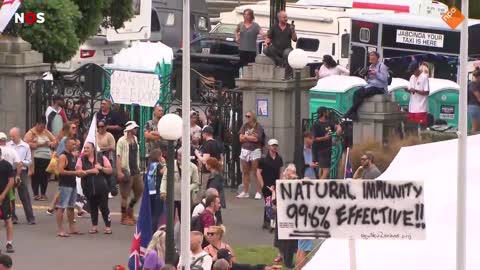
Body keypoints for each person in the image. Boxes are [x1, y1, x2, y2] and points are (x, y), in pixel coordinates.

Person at [76, 142, 113, 235]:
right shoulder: (81, 159)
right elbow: (78, 172)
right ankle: (94, 226)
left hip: (102, 188)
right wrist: (90, 171)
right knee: (92, 208)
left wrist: (101, 168)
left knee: (104, 207)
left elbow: (110, 170)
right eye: (84, 148)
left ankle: (108, 226)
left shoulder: (101, 157)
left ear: (93, 149)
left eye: (87, 148)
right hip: (88, 188)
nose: (85, 150)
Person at [344, 51, 389, 121]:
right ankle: (354, 113)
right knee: (356, 93)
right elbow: (369, 80)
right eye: (370, 58)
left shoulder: (382, 66)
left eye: (373, 58)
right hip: (370, 85)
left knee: (363, 93)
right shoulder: (370, 67)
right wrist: (367, 75)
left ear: (377, 58)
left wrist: (376, 74)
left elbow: (385, 79)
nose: (371, 59)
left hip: (379, 87)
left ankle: (350, 112)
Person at [160, 149, 199, 223]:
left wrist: (188, 188)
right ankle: (170, 234)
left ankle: (184, 234)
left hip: (185, 198)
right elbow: (165, 178)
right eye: (178, 155)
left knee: (184, 221)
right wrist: (163, 190)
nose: (180, 157)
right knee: (170, 220)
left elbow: (196, 183)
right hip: (172, 196)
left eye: (182, 155)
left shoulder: (193, 167)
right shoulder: (171, 165)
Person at [116, 121, 143, 226]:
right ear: (130, 129)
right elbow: (118, 156)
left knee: (140, 190)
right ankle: (123, 217)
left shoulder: (135, 139)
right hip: (126, 170)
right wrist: (119, 171)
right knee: (125, 195)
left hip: (135, 170)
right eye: (134, 128)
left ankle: (130, 209)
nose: (136, 129)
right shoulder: (121, 141)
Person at [24, 117, 57, 201]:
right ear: (37, 124)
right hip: (36, 157)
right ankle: (35, 194)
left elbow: (55, 140)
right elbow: (25, 144)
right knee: (36, 176)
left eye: (43, 127)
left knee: (45, 176)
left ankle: (43, 193)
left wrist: (50, 143)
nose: (42, 128)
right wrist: (40, 144)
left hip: (47, 157)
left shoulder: (46, 132)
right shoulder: (31, 133)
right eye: (41, 126)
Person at [7, 128, 35, 225]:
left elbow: (29, 161)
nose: (12, 138)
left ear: (18, 135)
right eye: (10, 136)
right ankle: (13, 217)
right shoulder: (8, 145)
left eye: (13, 136)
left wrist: (22, 162)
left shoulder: (25, 146)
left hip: (22, 171)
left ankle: (30, 217)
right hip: (10, 170)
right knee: (11, 195)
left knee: (24, 195)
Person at [56, 137, 83, 237]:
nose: (74, 146)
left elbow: (73, 169)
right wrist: (75, 172)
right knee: (61, 207)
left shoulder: (72, 155)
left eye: (75, 144)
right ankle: (60, 229)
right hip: (64, 185)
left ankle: (72, 228)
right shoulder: (63, 156)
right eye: (72, 144)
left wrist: (78, 173)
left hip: (72, 184)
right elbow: (60, 171)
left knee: (71, 207)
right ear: (66, 144)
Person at [272, 164, 298, 268]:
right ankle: (282, 256)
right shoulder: (281, 183)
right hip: (282, 214)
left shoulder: (295, 183)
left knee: (289, 239)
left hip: (291, 215)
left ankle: (287, 258)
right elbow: (276, 200)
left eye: (293, 172)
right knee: (282, 237)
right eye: (290, 171)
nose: (292, 174)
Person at [256, 139, 283, 230]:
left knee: (274, 203)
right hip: (267, 185)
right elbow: (258, 172)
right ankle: (267, 222)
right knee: (268, 202)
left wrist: (280, 182)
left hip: (275, 184)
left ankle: (271, 221)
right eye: (272, 145)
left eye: (276, 145)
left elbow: (280, 171)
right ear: (268, 146)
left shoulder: (279, 158)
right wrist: (262, 184)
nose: (274, 147)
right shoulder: (263, 159)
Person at [238, 111, 265, 199]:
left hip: (255, 150)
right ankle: (245, 191)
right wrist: (249, 137)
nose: (247, 117)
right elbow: (240, 139)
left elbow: (256, 139)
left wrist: (246, 137)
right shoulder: (244, 126)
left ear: (253, 117)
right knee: (245, 171)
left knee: (256, 171)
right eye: (246, 116)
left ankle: (259, 191)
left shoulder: (258, 126)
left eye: (249, 116)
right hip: (245, 150)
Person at [312, 107, 342, 179]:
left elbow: (337, 128)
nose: (328, 113)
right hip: (321, 150)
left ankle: (321, 185)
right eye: (327, 111)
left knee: (322, 170)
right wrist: (324, 138)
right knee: (326, 171)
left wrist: (338, 132)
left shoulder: (329, 122)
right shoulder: (316, 124)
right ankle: (319, 186)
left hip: (328, 149)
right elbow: (314, 138)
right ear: (323, 113)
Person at [195, 126, 223, 202]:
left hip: (207, 172)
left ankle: (202, 206)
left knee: (205, 190)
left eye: (203, 133)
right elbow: (221, 159)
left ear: (206, 134)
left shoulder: (207, 145)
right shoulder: (217, 144)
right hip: (216, 171)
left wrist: (197, 154)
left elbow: (205, 161)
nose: (202, 135)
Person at [147, 149, 166, 231]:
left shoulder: (150, 165)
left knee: (152, 213)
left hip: (151, 191)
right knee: (156, 214)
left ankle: (150, 230)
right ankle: (153, 231)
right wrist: (164, 163)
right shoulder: (158, 166)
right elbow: (165, 172)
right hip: (158, 191)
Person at [0, 149, 15, 253]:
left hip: (4, 196)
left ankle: (9, 243)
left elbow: (11, 181)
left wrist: (3, 194)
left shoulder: (7, 165)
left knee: (7, 219)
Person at [216, 248, 282, 270]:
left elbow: (251, 268)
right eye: (228, 259)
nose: (230, 261)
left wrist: (268, 268)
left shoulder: (234, 267)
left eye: (230, 258)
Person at [205, 157, 226, 224]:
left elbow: (213, 190)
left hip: (214, 201)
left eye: (207, 164)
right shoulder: (216, 175)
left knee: (216, 219)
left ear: (210, 165)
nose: (205, 165)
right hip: (216, 201)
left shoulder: (215, 177)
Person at [468, 67, 480, 132]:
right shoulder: (473, 84)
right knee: (475, 128)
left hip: (474, 107)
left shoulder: (476, 84)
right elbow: (479, 97)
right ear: (478, 77)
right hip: (474, 107)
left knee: (477, 129)